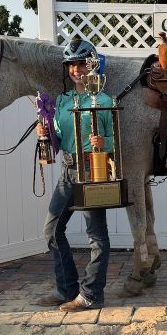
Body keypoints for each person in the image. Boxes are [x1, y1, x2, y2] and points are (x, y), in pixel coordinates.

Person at [39, 39, 114, 312]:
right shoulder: (61, 101)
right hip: (68, 171)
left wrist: (104, 143)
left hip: (93, 169)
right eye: (71, 64)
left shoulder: (104, 100)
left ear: (92, 65)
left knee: (96, 236)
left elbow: (116, 140)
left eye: (81, 63)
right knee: (52, 230)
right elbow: (60, 138)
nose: (76, 69)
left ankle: (92, 294)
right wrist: (46, 135)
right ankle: (65, 289)